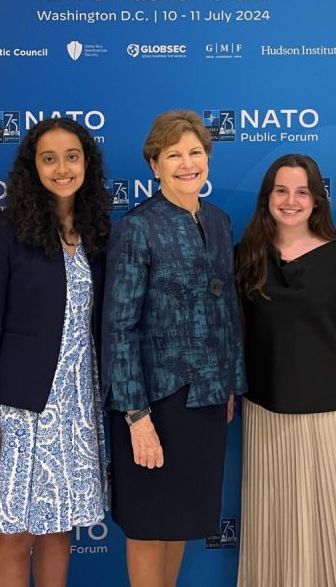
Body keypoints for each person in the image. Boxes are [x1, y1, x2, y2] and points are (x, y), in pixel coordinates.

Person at [102, 109, 246, 587]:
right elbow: (119, 328)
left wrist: (228, 384)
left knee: (182, 520)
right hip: (154, 402)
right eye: (174, 155)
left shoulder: (220, 221)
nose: (187, 164)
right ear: (154, 165)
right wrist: (136, 416)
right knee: (148, 525)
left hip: (206, 399)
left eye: (195, 152)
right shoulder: (136, 228)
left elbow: (227, 310)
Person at [0, 118, 110, 587]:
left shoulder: (97, 233)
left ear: (86, 162)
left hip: (78, 409)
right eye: (49, 158)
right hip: (20, 410)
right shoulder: (5, 230)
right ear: (34, 167)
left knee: (59, 529)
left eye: (72, 156)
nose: (62, 168)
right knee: (16, 534)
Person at [235, 153, 336, 587]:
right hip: (267, 410)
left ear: (317, 200)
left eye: (301, 191)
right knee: (273, 521)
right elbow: (236, 336)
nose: (291, 200)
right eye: (281, 190)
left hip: (333, 411)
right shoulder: (246, 257)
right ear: (268, 198)